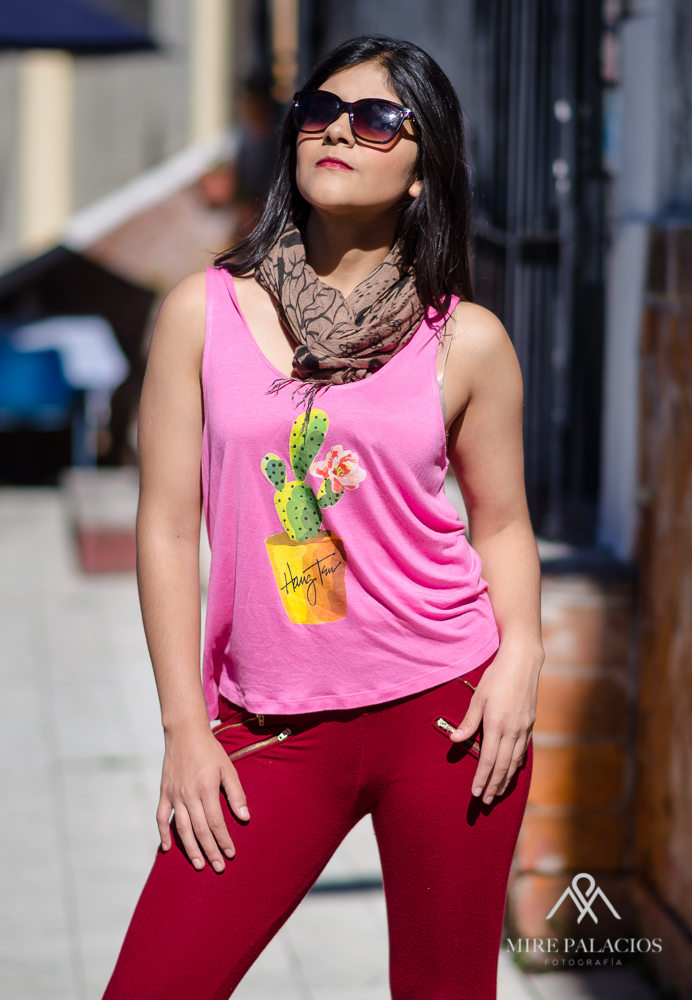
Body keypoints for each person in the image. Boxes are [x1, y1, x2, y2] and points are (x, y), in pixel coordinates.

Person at [102, 35, 543, 1000]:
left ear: (422, 169)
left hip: (446, 714)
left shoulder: (467, 341)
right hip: (269, 726)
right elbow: (167, 526)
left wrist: (521, 661)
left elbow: (504, 525)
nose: (338, 131)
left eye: (377, 118)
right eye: (319, 110)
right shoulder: (201, 313)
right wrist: (185, 728)